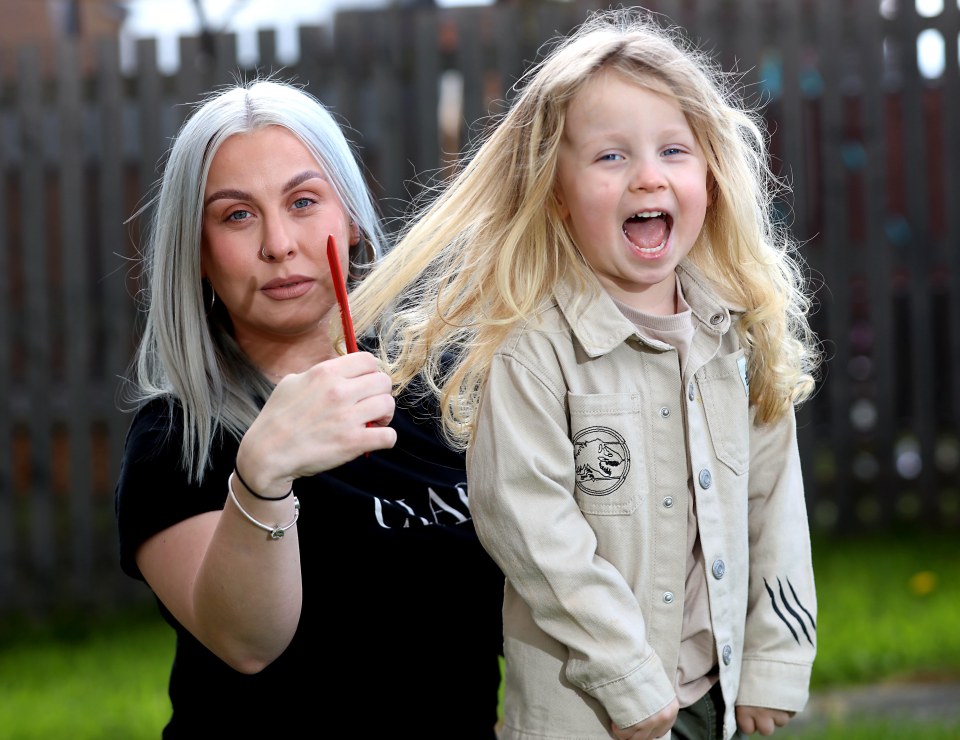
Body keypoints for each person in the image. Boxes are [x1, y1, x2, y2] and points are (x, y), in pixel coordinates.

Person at [348, 8, 821, 740]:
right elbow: (530, 526)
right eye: (610, 157)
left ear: (712, 176)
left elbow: (773, 503)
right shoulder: (533, 349)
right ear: (557, 194)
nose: (647, 178)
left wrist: (776, 658)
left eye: (673, 150)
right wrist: (626, 674)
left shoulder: (735, 334)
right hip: (587, 712)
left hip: (715, 695)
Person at [114, 78, 504, 738]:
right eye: (237, 215)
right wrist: (261, 479)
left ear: (350, 220)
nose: (279, 244)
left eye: (303, 201)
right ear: (200, 253)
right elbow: (245, 641)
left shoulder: (447, 392)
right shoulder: (177, 438)